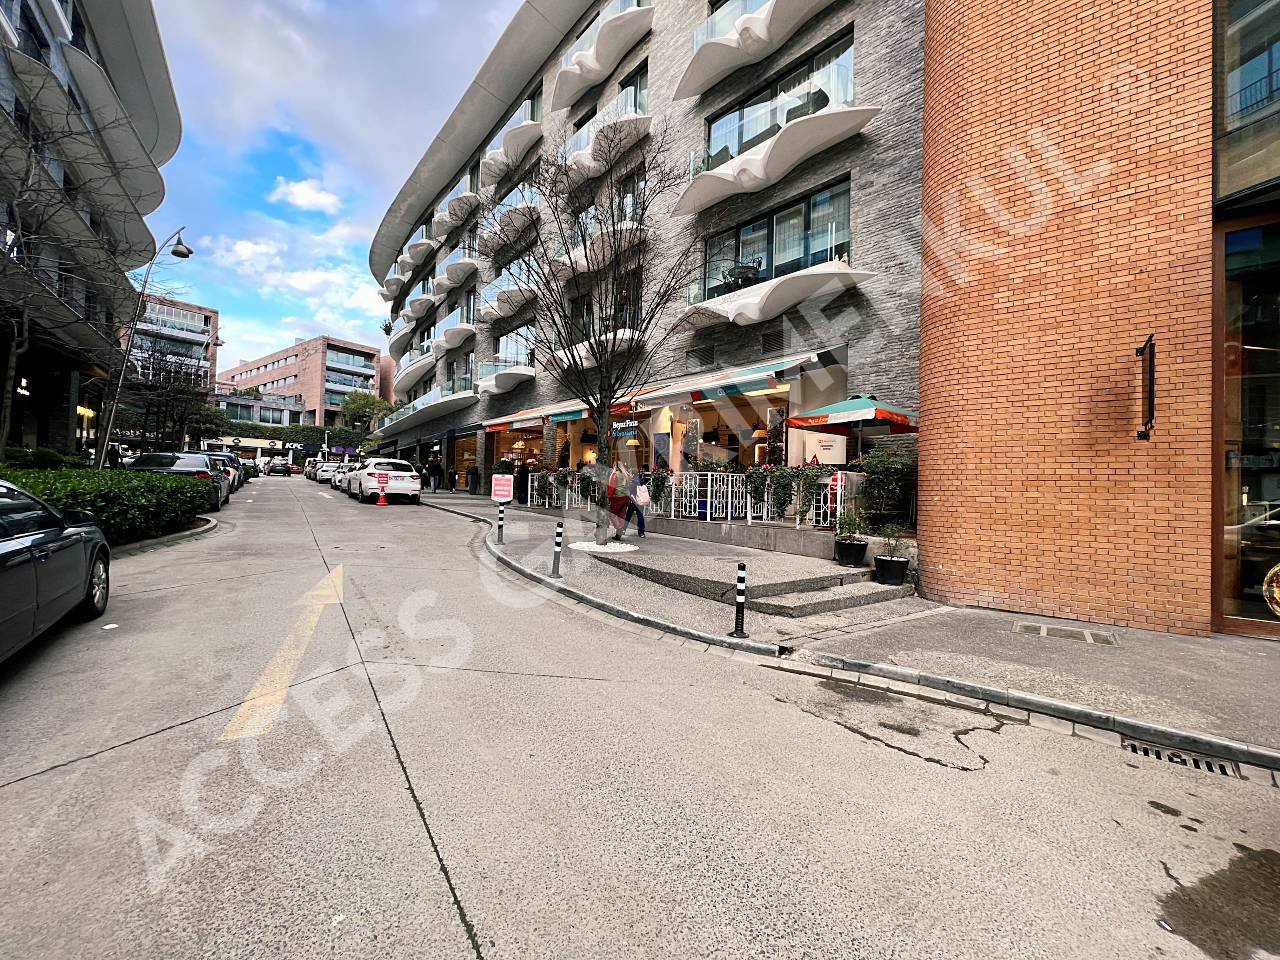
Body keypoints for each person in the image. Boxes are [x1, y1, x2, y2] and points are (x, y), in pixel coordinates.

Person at [606, 461, 631, 541]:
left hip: (618, 497)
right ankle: (618, 534)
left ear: (615, 466)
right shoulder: (626, 474)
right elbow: (629, 486)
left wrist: (609, 497)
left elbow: (612, 487)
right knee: (621, 515)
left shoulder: (615, 474)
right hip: (626, 497)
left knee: (612, 514)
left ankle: (619, 529)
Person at [624, 466, 648, 538]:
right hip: (640, 501)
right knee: (640, 517)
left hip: (633, 501)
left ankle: (623, 529)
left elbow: (629, 491)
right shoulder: (641, 480)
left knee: (628, 516)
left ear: (632, 473)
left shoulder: (631, 481)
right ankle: (641, 532)